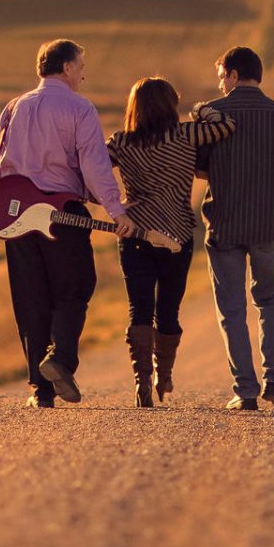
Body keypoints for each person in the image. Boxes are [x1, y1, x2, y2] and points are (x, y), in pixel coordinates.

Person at [0, 38, 138, 409]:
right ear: (66, 68)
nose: (84, 73)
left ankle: (40, 390)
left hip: (16, 218)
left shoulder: (14, 106)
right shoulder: (80, 108)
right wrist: (117, 211)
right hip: (61, 212)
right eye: (81, 66)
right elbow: (94, 166)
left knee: (31, 298)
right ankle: (61, 358)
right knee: (76, 286)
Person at [194, 45, 274, 411]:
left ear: (231, 75)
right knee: (271, 300)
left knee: (231, 308)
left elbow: (198, 169)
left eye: (221, 77)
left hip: (225, 223)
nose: (220, 85)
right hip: (268, 223)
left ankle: (245, 389)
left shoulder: (212, 116)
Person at [106, 78, 235, 407]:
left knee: (139, 309)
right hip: (178, 233)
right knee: (169, 310)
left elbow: (92, 171)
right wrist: (200, 109)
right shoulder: (187, 133)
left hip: (135, 233)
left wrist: (116, 206)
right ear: (169, 105)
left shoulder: (121, 142)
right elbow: (226, 125)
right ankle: (164, 374)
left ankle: (141, 380)